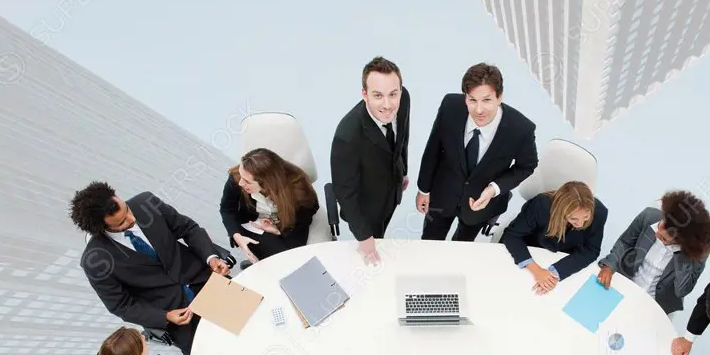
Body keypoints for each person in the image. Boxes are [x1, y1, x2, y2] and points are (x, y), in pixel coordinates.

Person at [71, 182, 231, 355]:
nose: (131, 219)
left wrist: (210, 258)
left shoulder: (146, 203)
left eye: (127, 210)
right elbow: (121, 305)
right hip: (177, 316)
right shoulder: (96, 261)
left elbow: (188, 229)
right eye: (121, 223)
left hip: (206, 282)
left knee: (252, 322)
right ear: (101, 229)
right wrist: (165, 316)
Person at [416, 63, 538, 242]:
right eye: (472, 100)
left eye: (487, 100)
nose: (479, 110)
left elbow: (527, 166)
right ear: (465, 97)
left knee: (462, 247)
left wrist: (494, 188)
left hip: (481, 206)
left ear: (499, 97)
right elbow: (433, 148)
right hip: (442, 195)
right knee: (429, 243)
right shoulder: (450, 106)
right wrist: (423, 189)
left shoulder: (521, 129)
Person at [330, 56, 411, 264]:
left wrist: (403, 169)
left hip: (392, 189)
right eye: (378, 95)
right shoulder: (347, 135)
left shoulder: (404, 100)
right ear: (364, 94)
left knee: (385, 226)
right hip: (368, 205)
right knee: (375, 245)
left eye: (393, 94)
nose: (387, 104)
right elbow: (345, 193)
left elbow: (403, 136)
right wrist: (365, 237)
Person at [597, 191, 710, 315]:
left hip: (657, 305)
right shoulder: (648, 216)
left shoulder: (697, 251)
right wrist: (609, 266)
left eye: (663, 238)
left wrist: (684, 256)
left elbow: (682, 290)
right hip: (628, 284)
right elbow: (624, 242)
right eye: (661, 224)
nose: (657, 233)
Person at [499, 181, 607, 294]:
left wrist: (554, 273)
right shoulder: (541, 204)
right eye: (573, 219)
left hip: (563, 255)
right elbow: (512, 235)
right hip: (531, 248)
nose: (580, 224)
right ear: (562, 210)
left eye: (585, 217)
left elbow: (591, 250)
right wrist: (537, 270)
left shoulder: (600, 212)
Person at [219, 147, 320, 264]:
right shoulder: (238, 176)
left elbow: (301, 223)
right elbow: (227, 209)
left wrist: (278, 231)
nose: (241, 183)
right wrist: (237, 237)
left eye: (247, 182)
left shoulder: (299, 191)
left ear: (267, 183)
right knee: (279, 261)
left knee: (292, 259)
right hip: (253, 225)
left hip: (290, 226)